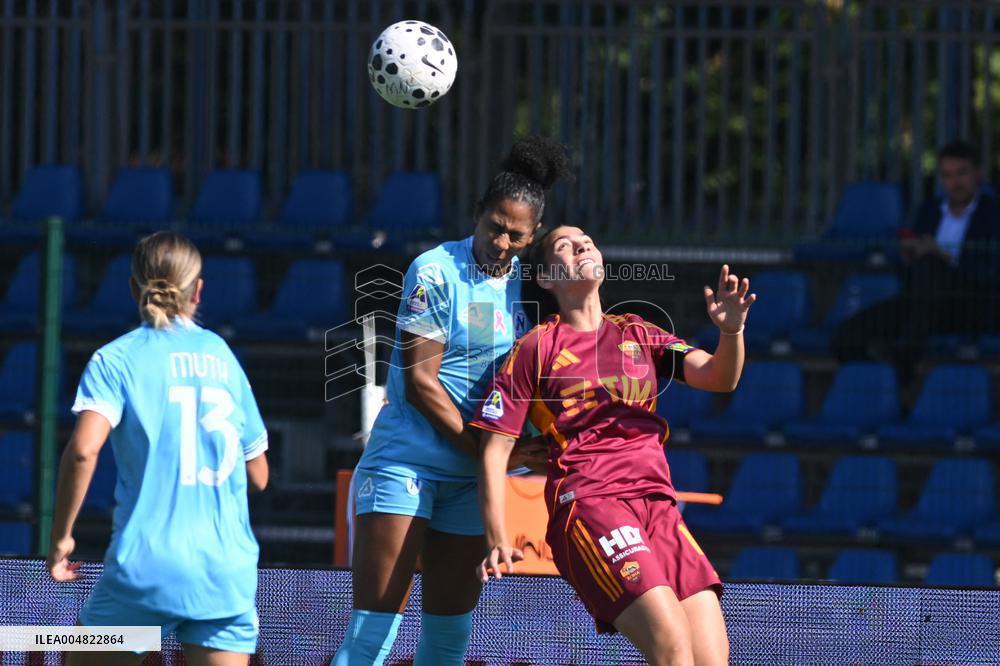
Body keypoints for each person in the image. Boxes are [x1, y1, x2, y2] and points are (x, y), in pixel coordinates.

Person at [332, 136, 571, 666]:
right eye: (494, 227)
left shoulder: (531, 290)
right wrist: (489, 454)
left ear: (532, 237)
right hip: (406, 464)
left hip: (472, 479)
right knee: (372, 637)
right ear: (476, 215)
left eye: (516, 234)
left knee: (446, 644)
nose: (502, 241)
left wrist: (523, 445)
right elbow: (421, 384)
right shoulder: (435, 270)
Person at [470, 226, 755, 666]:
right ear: (546, 277)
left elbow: (720, 376)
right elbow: (493, 450)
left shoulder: (638, 334)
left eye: (586, 239)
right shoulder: (535, 348)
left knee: (710, 658)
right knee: (672, 649)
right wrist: (497, 535)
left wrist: (731, 332)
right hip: (591, 502)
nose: (582, 245)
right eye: (565, 245)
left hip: (658, 506)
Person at [46, 231, 269, 666]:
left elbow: (82, 452)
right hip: (224, 575)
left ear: (132, 288)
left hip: (143, 574)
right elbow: (258, 475)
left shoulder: (115, 359)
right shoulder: (222, 356)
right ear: (198, 290)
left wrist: (60, 540)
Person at [833, 140, 1000, 382]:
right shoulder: (928, 211)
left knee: (930, 267)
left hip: (968, 305)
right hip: (921, 303)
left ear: (978, 174)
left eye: (962, 173)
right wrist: (907, 255)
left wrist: (943, 257)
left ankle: (905, 359)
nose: (955, 182)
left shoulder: (993, 215)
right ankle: (891, 375)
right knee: (846, 335)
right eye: (947, 175)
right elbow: (910, 269)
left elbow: (991, 275)